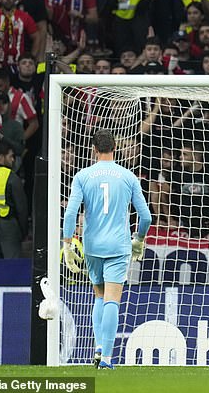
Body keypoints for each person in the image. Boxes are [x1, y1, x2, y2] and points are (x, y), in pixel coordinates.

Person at [62, 129, 152, 369]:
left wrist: (68, 244)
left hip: (92, 245)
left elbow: (71, 213)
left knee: (99, 296)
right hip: (118, 245)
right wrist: (139, 239)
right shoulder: (128, 176)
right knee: (113, 299)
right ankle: (107, 358)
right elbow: (146, 216)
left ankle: (99, 346)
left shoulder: (83, 175)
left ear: (93, 149)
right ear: (115, 148)